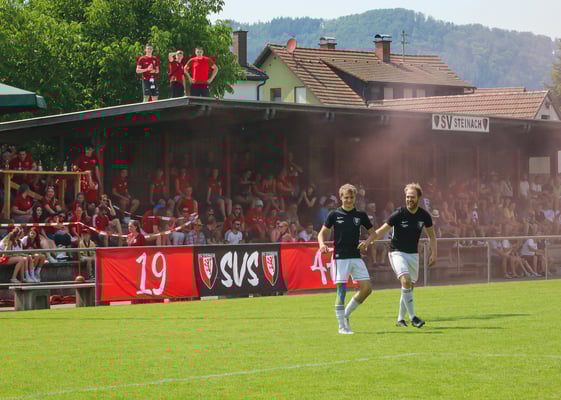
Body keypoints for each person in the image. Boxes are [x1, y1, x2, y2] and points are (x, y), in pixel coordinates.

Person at [362, 183, 437, 328]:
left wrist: (434, 254)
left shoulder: (424, 215)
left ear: (418, 198)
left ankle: (400, 319)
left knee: (408, 287)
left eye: (412, 197)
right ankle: (413, 317)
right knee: (406, 280)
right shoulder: (399, 213)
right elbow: (381, 230)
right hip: (397, 252)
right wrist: (367, 242)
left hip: (413, 255)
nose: (409, 199)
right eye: (407, 197)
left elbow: (432, 236)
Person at [318, 183, 377, 335]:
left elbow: (374, 233)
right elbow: (321, 233)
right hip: (340, 258)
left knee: (367, 289)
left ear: (355, 198)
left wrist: (366, 243)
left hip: (356, 257)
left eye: (351, 197)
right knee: (341, 291)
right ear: (341, 197)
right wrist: (322, 244)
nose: (349, 200)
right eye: (346, 198)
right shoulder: (334, 214)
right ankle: (342, 327)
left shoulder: (361, 215)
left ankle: (345, 315)